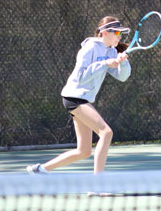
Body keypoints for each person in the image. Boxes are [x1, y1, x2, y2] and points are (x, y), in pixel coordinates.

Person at [27, 16, 131, 175]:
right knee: (106, 132)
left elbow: (122, 77)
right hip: (74, 97)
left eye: (121, 33)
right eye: (116, 32)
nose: (119, 36)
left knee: (83, 151)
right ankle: (97, 185)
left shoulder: (111, 51)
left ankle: (40, 169)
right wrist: (104, 64)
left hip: (83, 99)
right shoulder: (89, 48)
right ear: (104, 33)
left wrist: (122, 62)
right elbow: (81, 76)